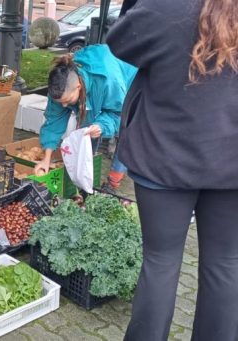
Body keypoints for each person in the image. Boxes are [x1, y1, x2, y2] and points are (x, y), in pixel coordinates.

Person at [106, 0, 238, 339]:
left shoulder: (167, 6)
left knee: (160, 264)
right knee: (225, 266)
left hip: (165, 157)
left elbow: (120, 39)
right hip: (230, 162)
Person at [34, 44, 137, 193]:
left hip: (130, 83)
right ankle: (86, 176)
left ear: (78, 87)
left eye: (67, 100)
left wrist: (102, 126)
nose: (63, 106)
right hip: (99, 78)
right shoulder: (59, 88)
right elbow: (53, 121)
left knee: (127, 132)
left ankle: (112, 184)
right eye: (60, 102)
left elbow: (117, 113)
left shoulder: (108, 80)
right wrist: (46, 158)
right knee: (88, 130)